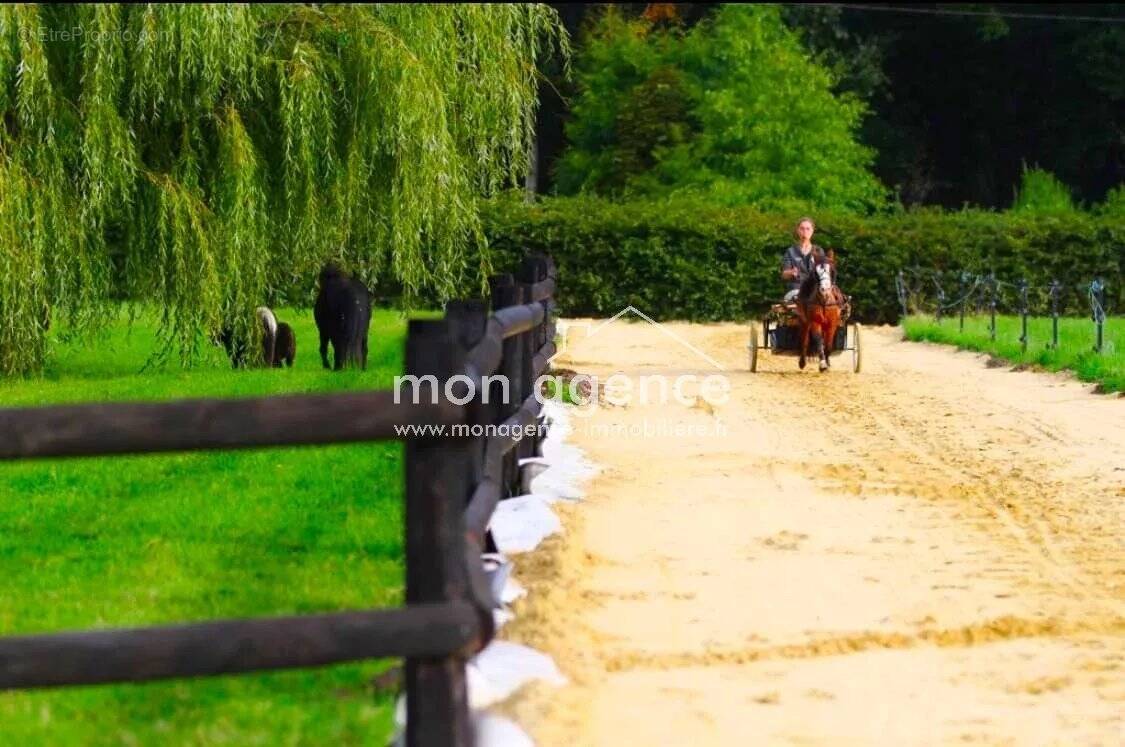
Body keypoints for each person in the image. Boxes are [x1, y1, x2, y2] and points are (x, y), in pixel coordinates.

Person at [780, 217, 824, 303]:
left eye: (808, 229)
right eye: (802, 228)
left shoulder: (818, 251)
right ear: (797, 231)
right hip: (796, 290)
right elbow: (784, 274)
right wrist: (791, 273)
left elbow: (824, 273)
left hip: (814, 290)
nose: (805, 232)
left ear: (812, 231)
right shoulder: (790, 251)